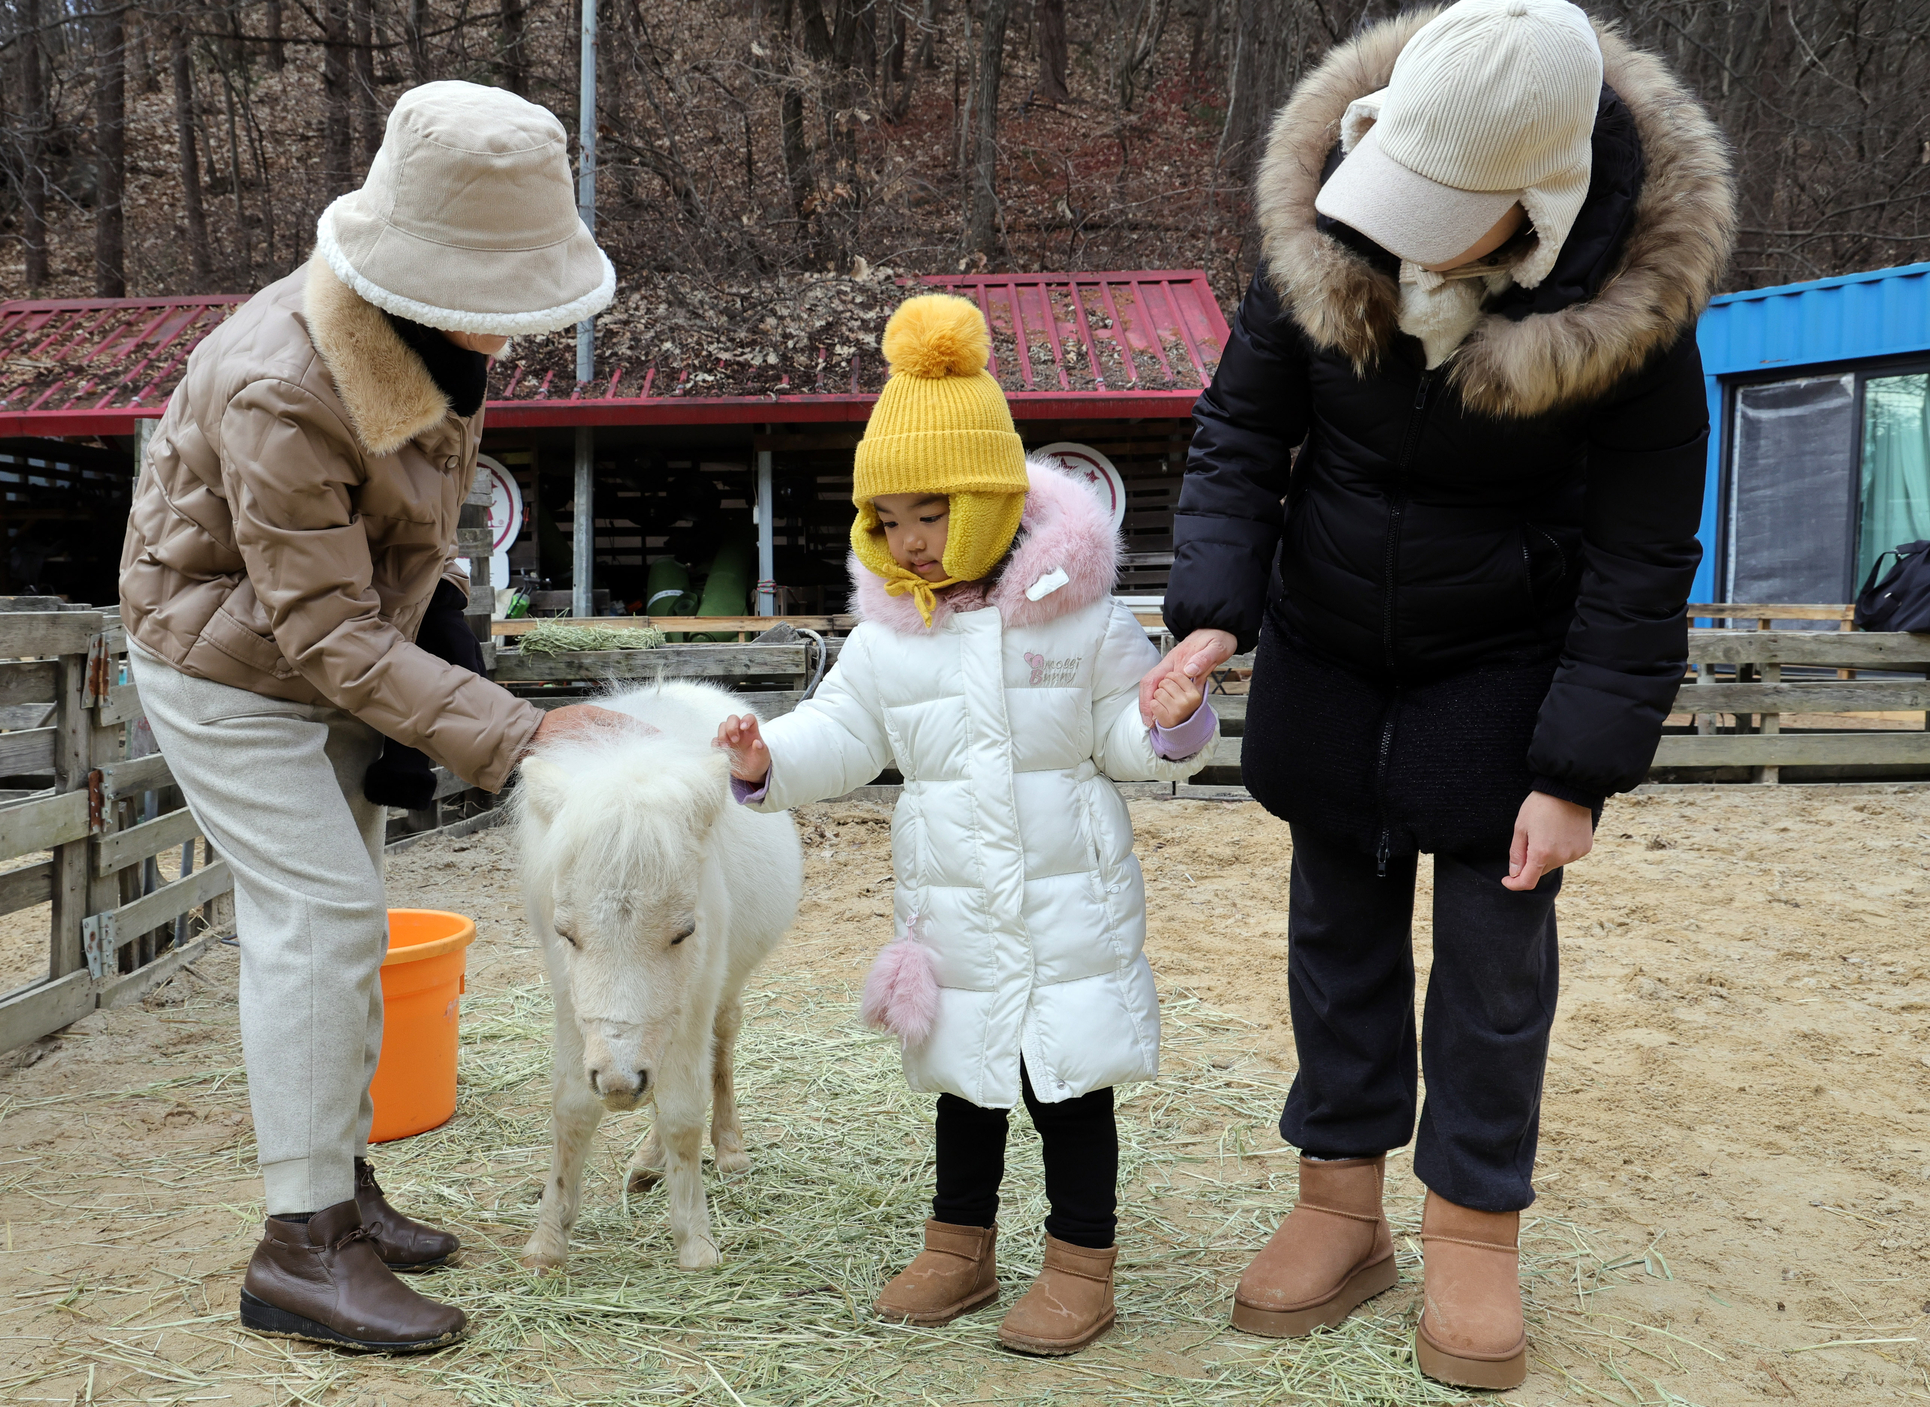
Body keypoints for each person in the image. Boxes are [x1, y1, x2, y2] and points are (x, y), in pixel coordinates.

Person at [1143, 0, 1734, 1390]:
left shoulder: (1636, 312)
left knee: (1489, 967)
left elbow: (1642, 555)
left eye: (1439, 213)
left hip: (1504, 671)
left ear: (1535, 203)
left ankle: (1471, 1227)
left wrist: (1575, 767)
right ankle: (1338, 1206)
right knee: (1332, 938)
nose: (1395, 232)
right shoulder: (1321, 221)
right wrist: (1211, 612)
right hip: (1328, 645)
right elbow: (1239, 433)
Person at [119, 81, 629, 1353]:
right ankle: (299, 1248)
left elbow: (382, 555)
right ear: (424, 276)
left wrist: (441, 620)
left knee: (348, 900)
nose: (508, 330)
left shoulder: (424, 340)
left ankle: (338, 1190)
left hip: (329, 649)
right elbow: (318, 628)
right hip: (225, 662)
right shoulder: (283, 381)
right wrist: (514, 734)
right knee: (322, 919)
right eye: (492, 297)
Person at [714, 294, 1217, 1356]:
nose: (908, 543)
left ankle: (1083, 1263)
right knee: (965, 1081)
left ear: (988, 500)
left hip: (1063, 902)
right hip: (952, 906)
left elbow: (1122, 742)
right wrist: (769, 764)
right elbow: (844, 732)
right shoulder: (893, 636)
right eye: (885, 524)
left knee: (1067, 1088)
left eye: (928, 517)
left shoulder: (1081, 615)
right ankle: (959, 1246)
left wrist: (1166, 722)